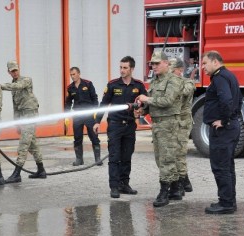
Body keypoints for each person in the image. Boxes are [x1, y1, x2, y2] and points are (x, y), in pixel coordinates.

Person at [93, 56, 147, 198]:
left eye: (125, 68)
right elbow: (104, 103)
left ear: (132, 69)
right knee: (114, 156)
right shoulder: (112, 85)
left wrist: (142, 111)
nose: (122, 70)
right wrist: (98, 121)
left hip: (129, 126)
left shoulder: (139, 86)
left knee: (127, 156)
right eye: (121, 67)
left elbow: (146, 104)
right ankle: (114, 187)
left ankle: (125, 184)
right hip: (115, 125)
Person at [136, 51, 183, 207]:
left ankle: (164, 192)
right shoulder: (155, 81)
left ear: (166, 63)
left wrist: (147, 99)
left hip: (169, 124)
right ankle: (175, 189)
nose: (154, 66)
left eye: (157, 63)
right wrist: (143, 110)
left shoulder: (174, 80)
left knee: (166, 158)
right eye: (152, 64)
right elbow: (154, 104)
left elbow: (168, 100)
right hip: (158, 124)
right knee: (161, 157)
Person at [202, 51, 242, 215]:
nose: (202, 67)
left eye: (205, 63)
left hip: (223, 130)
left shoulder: (219, 78)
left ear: (215, 62)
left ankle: (225, 203)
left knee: (221, 167)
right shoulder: (229, 75)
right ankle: (229, 201)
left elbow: (227, 101)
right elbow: (238, 101)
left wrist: (224, 121)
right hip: (231, 127)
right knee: (228, 166)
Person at [0, 60, 47, 183]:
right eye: (12, 71)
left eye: (16, 70)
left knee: (23, 144)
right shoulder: (12, 85)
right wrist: (17, 122)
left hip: (31, 115)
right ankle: (41, 170)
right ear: (8, 72)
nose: (15, 73)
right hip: (23, 117)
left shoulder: (26, 80)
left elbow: (17, 86)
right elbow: (15, 106)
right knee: (33, 144)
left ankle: (17, 174)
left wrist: (0, 86)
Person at [65, 67, 101, 166]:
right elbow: (68, 103)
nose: (72, 76)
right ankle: (79, 159)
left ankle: (97, 159)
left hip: (89, 115)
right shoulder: (70, 88)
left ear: (79, 74)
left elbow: (94, 98)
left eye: (74, 74)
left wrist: (95, 111)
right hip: (77, 116)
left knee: (94, 136)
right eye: (71, 75)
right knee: (77, 138)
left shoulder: (88, 84)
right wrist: (66, 115)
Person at [169, 58, 195, 193]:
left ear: (180, 70)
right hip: (171, 123)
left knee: (180, 152)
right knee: (172, 153)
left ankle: (182, 181)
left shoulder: (188, 83)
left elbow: (182, 93)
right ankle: (183, 181)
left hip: (182, 124)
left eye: (172, 71)